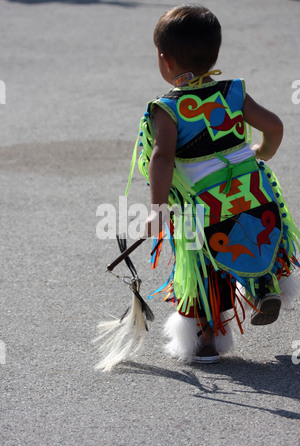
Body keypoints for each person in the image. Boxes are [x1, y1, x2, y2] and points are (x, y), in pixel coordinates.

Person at [97, 5, 299, 371]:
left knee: (204, 269)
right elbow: (275, 125)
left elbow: (161, 160)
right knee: (254, 239)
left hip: (204, 209)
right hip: (251, 192)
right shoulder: (232, 93)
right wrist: (261, 152)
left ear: (164, 60)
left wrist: (157, 212)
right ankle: (264, 289)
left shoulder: (168, 109)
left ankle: (207, 342)